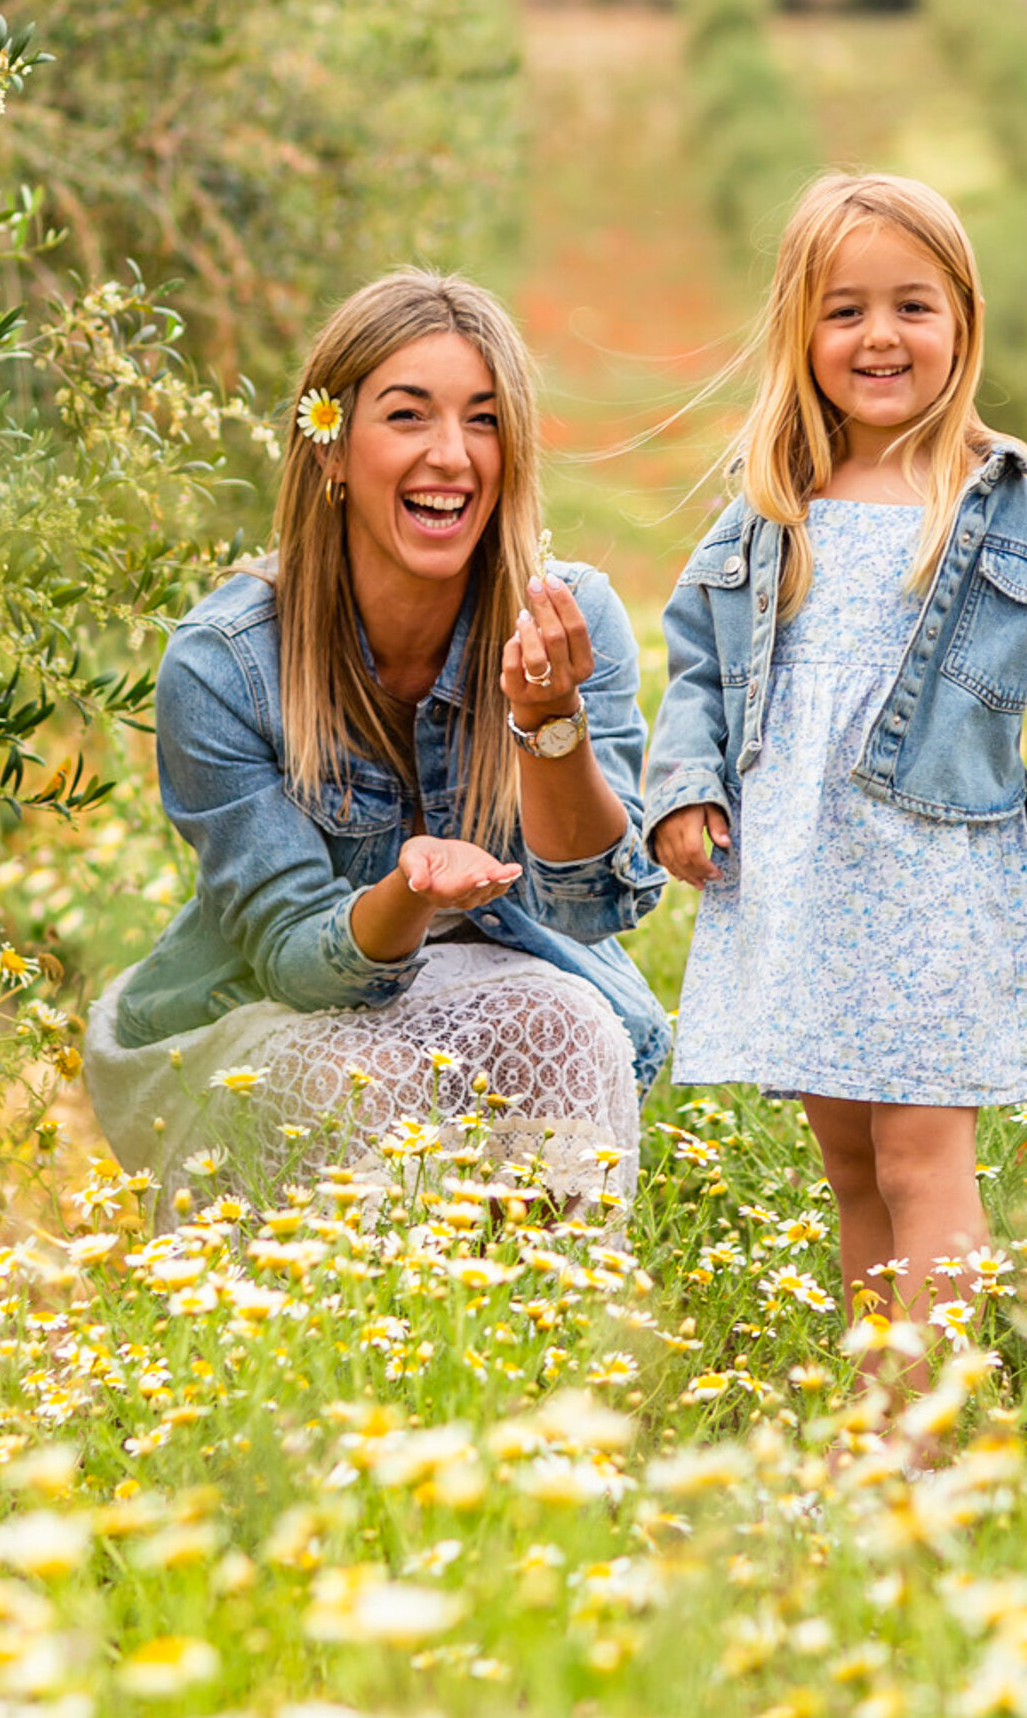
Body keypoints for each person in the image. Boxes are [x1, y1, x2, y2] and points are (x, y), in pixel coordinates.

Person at [646, 170, 1027, 1337]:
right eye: (843, 309)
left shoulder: (1009, 507)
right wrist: (684, 788)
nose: (878, 335)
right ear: (798, 329)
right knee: (851, 1166)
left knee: (924, 1160)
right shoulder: (772, 500)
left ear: (962, 322)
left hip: (936, 884)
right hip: (802, 883)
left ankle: (922, 1444)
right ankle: (883, 1413)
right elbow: (697, 660)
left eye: (911, 305)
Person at [85, 270, 667, 1214]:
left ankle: (549, 1337)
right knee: (365, 1080)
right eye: (408, 417)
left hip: (508, 979)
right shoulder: (225, 665)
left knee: (567, 1024)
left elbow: (593, 907)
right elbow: (291, 954)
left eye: (483, 420)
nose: (452, 455)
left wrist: (546, 727)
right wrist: (406, 893)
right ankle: (349, 1339)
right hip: (275, 1007)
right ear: (333, 451)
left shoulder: (569, 618)